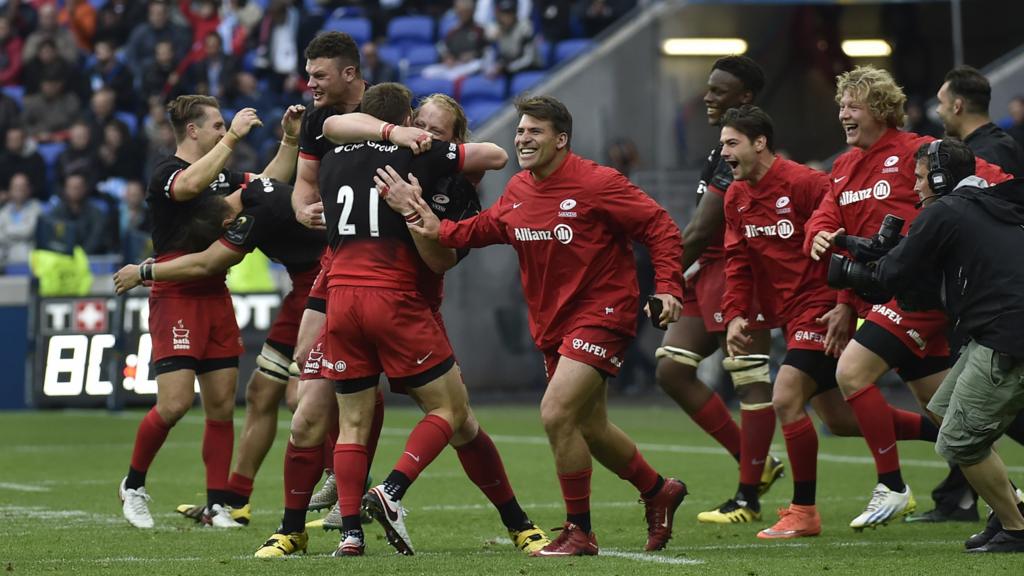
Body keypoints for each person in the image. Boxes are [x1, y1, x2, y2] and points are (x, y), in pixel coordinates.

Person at [404, 95, 688, 556]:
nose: (522, 139)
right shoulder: (517, 189)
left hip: (603, 313)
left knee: (555, 413)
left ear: (561, 139)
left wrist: (670, 287)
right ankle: (658, 490)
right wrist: (419, 215)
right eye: (519, 131)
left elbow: (659, 225)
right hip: (552, 325)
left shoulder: (598, 182)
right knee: (591, 429)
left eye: (533, 132)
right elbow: (473, 231)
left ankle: (580, 531)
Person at [288, 92, 550, 556]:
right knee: (441, 412)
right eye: (421, 124)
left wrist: (416, 212)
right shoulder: (405, 155)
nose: (425, 135)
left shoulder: (451, 186)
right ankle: (352, 508)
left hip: (380, 300)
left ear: (454, 140)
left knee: (456, 423)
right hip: (391, 304)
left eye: (437, 131)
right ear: (407, 121)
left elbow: (442, 260)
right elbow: (494, 155)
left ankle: (515, 522)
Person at [806, 65, 1008, 530]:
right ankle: (1010, 504)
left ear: (879, 108)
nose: (843, 114)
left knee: (852, 373)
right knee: (948, 416)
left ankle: (892, 486)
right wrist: (819, 239)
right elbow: (825, 218)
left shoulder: (921, 150)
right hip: (885, 294)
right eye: (841, 106)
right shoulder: (842, 166)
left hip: (923, 293)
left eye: (852, 106)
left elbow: (994, 178)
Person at [717, 105, 931, 539]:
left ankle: (804, 511)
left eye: (731, 143)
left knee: (786, 395)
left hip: (819, 306)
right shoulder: (735, 197)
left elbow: (843, 236)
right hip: (788, 314)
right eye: (721, 144)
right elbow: (737, 261)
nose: (723, 152)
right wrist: (736, 313)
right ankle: (948, 434)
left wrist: (843, 302)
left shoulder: (805, 182)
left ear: (760, 143)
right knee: (839, 421)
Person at [117, 93, 303, 529]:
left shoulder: (223, 175)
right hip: (176, 294)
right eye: (217, 125)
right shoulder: (167, 172)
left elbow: (269, 185)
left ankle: (218, 503)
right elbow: (187, 188)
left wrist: (290, 143)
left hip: (214, 292)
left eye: (226, 125)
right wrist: (233, 138)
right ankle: (134, 484)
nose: (224, 131)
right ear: (194, 130)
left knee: (221, 405)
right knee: (176, 404)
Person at [845, 138, 1024, 553]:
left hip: (1006, 335)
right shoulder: (990, 201)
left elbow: (892, 275)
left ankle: (1016, 527)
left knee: (959, 439)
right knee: (944, 412)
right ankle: (1006, 510)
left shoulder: (945, 209)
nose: (916, 186)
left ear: (943, 177)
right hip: (997, 330)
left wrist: (854, 270)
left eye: (923, 177)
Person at [656, 55, 782, 526]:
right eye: (707, 89)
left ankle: (749, 497)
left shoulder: (743, 152)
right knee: (671, 370)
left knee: (754, 378)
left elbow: (701, 229)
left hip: (740, 267)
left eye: (718, 90)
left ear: (745, 98)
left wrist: (664, 278)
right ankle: (757, 462)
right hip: (710, 267)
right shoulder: (722, 149)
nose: (706, 97)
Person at [935, 66, 1024, 178]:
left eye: (941, 102)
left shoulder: (981, 159)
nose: (937, 110)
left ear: (957, 106)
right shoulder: (1007, 145)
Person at [0, 173, 43, 265]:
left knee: (22, 251)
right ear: (10, 190)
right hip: (5, 254)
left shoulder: (36, 208)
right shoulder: (4, 210)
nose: (19, 189)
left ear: (29, 189)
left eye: (22, 186)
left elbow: (28, 231)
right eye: (15, 186)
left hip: (27, 254)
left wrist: (7, 231)